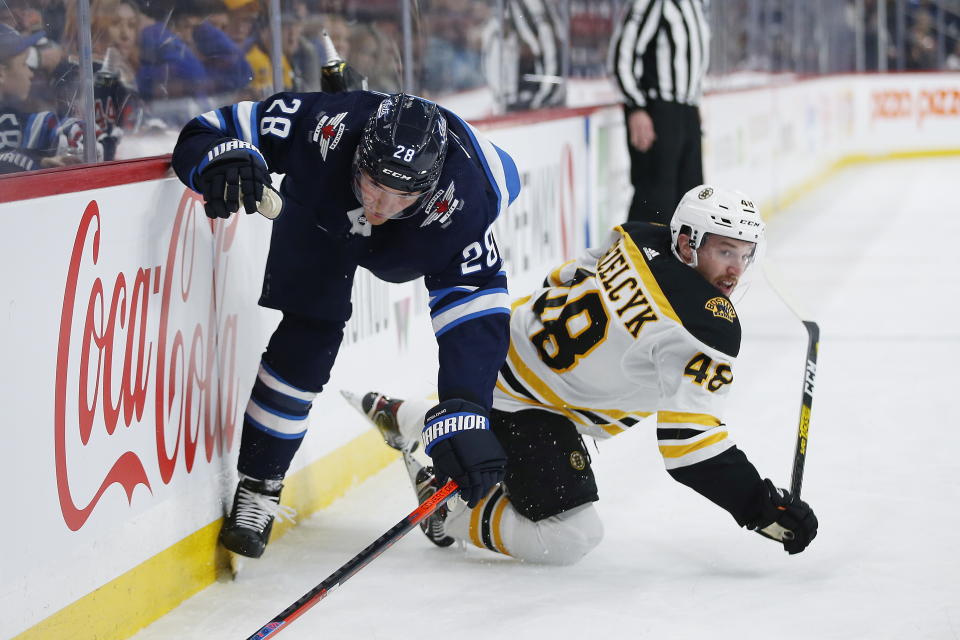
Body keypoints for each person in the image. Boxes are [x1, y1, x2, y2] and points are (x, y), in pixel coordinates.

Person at [345, 184, 819, 565]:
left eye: (745, 254)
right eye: (724, 251)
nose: (735, 270)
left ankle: (409, 416)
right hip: (529, 405)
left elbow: (564, 277)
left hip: (492, 352)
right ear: (686, 242)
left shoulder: (640, 237)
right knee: (571, 536)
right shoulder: (704, 325)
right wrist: (761, 507)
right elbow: (688, 446)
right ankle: (447, 510)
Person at [170, 89, 521, 558]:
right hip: (325, 211)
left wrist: (468, 408)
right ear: (358, 154)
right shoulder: (325, 125)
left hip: (412, 237)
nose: (381, 205)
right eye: (374, 182)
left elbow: (474, 312)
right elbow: (206, 129)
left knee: (466, 381)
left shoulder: (467, 198)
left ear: (431, 186)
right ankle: (260, 484)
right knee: (309, 336)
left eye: (403, 195)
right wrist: (224, 157)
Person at [609, 0, 710, 224]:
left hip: (687, 110)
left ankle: (678, 261)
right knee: (655, 204)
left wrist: (694, 101)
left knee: (691, 204)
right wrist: (636, 107)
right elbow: (622, 56)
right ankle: (641, 257)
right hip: (658, 111)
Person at [0, 23, 69, 173]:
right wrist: (31, 162)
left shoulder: (12, 113)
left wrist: (41, 161)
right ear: (1, 74)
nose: (30, 74)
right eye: (24, 64)